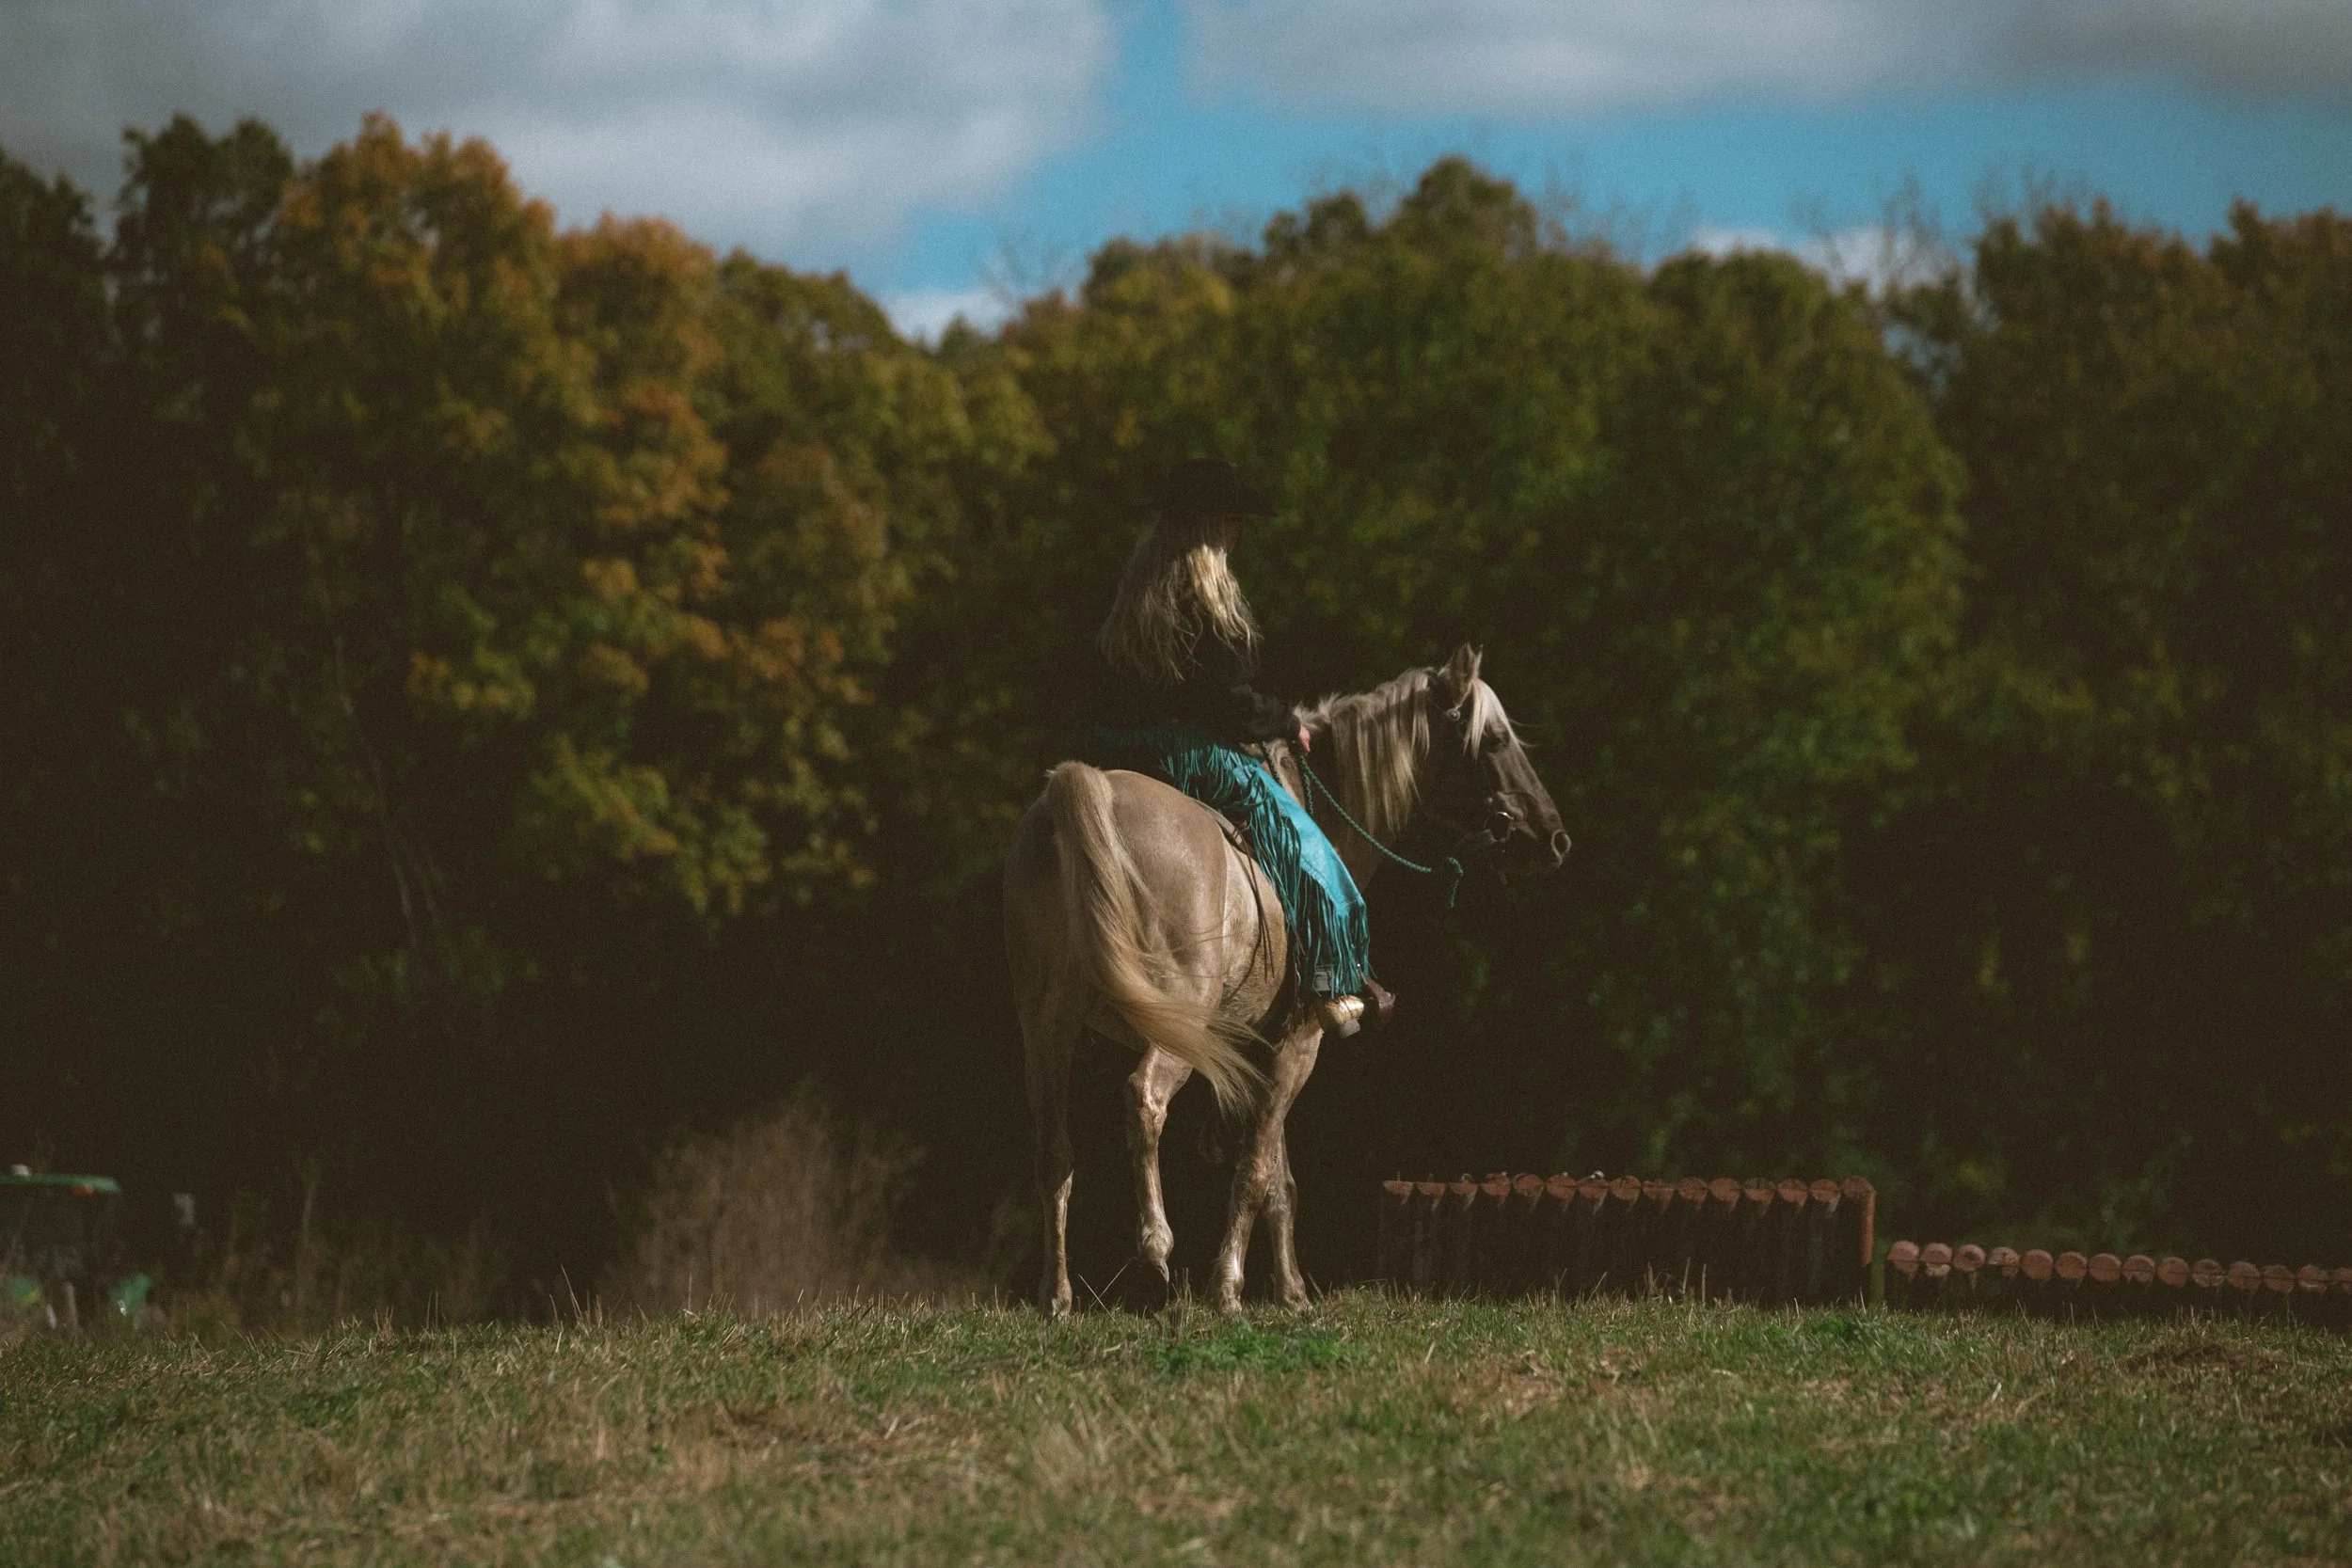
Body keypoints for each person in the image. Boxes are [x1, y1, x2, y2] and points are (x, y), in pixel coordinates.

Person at [1073, 457, 1392, 1037]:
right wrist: (1284, 722)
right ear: (1208, 528)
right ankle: (1330, 983)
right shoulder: (1205, 603)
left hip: (1118, 751)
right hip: (1190, 756)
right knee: (1307, 848)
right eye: (1232, 519)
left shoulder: (1123, 599)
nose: (1239, 531)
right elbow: (1226, 702)